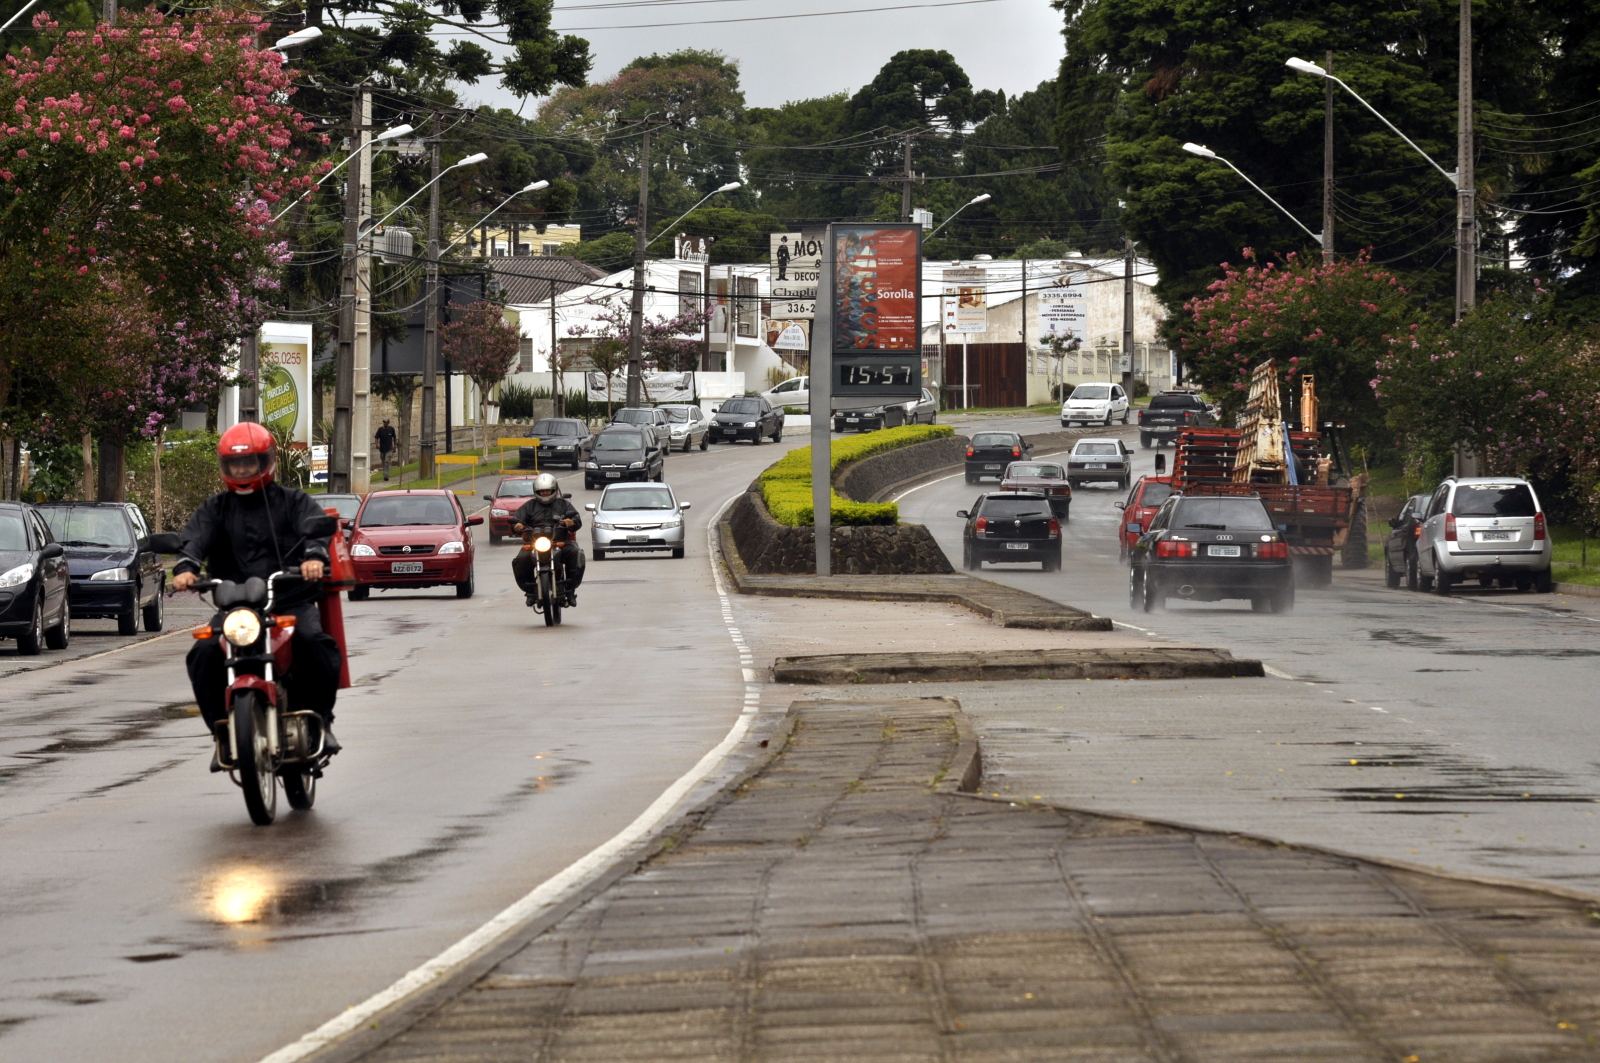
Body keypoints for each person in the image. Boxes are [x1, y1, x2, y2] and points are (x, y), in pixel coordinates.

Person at [172, 422, 344, 768]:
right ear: (224, 467)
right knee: (203, 654)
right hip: (235, 606)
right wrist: (185, 568)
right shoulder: (215, 508)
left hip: (288, 600)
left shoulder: (294, 501)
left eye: (249, 463)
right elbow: (195, 538)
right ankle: (222, 732)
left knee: (314, 642)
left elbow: (314, 529)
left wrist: (313, 557)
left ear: (267, 461)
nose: (241, 470)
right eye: (235, 465)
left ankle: (322, 722)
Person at [510, 472, 585, 607]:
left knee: (575, 553)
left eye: (547, 490)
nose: (545, 493)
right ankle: (531, 590)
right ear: (536, 491)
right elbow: (516, 519)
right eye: (542, 491)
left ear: (553, 490)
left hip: (560, 542)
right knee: (521, 559)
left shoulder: (563, 504)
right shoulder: (529, 506)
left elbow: (576, 519)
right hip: (534, 543)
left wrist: (571, 522)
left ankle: (569, 589)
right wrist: (517, 525)